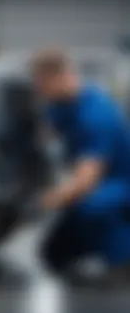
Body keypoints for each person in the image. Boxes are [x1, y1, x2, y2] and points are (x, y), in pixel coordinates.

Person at [32, 48, 130, 287]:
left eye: (40, 85)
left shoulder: (96, 115)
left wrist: (41, 201)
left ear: (58, 78)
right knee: (54, 255)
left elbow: (85, 182)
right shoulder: (61, 104)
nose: (38, 92)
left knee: (88, 206)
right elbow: (42, 132)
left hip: (120, 186)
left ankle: (124, 261)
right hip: (101, 185)